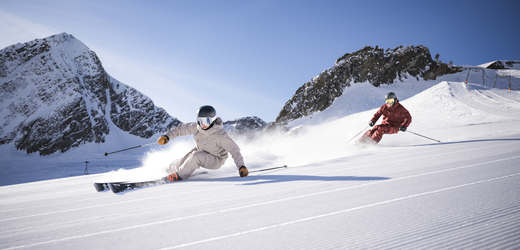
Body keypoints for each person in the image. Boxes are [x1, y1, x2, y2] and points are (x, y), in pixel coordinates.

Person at [157, 105, 248, 181]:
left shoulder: (220, 135)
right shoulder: (197, 127)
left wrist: (241, 166)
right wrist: (167, 136)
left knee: (195, 157)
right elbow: (180, 129)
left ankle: (179, 175)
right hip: (201, 150)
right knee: (181, 161)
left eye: (206, 121)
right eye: (200, 121)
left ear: (213, 120)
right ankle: (166, 170)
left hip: (216, 159)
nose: (203, 124)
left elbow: (234, 150)